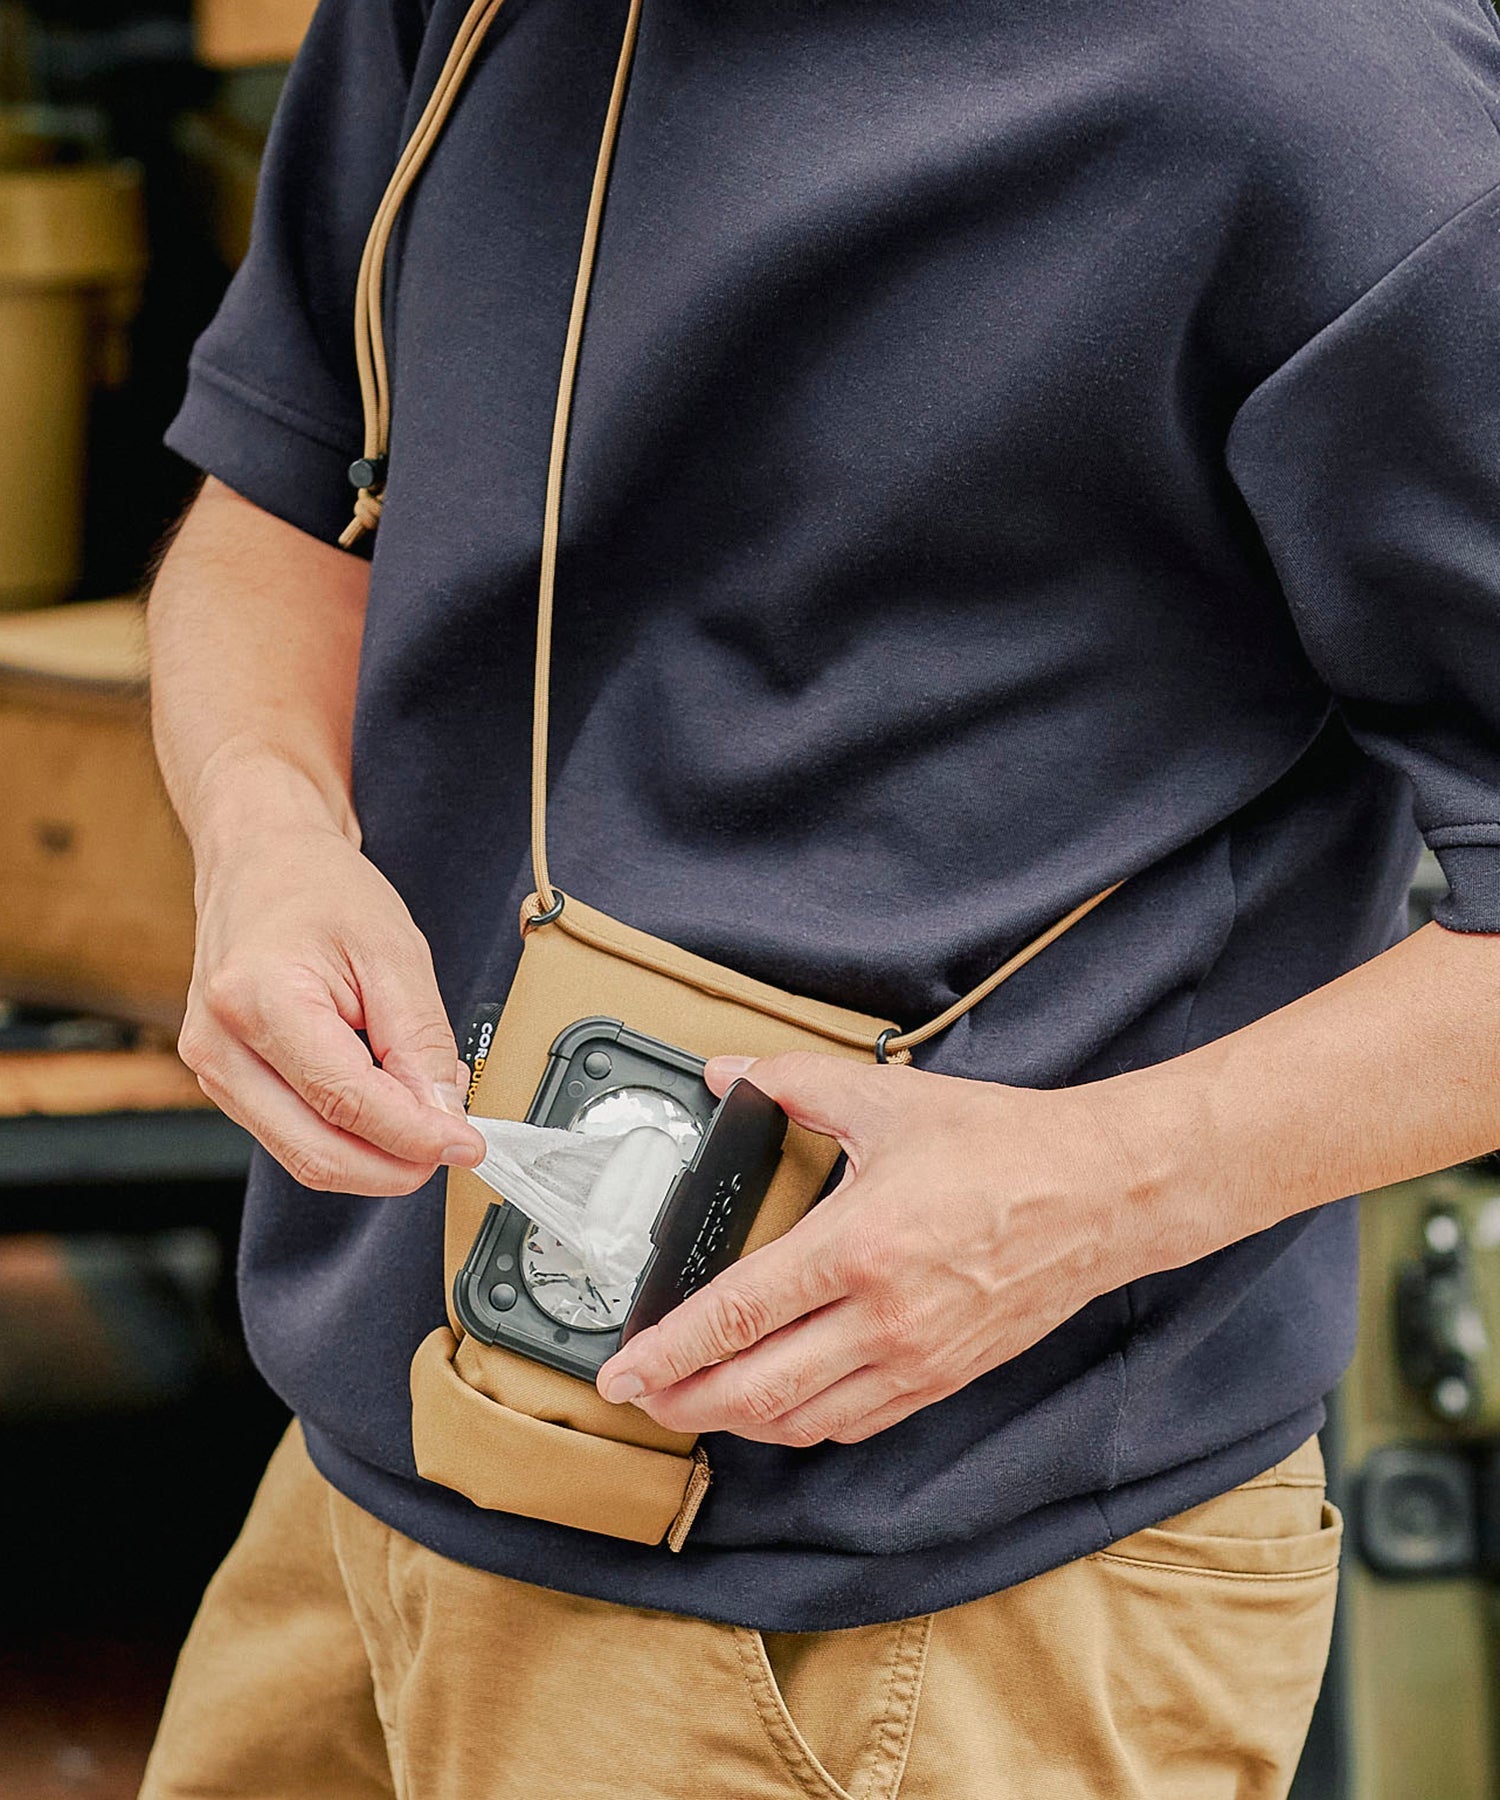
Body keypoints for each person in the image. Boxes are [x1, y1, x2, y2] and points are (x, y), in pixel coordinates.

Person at [139, 0, 1500, 1794]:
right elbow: (287, 491)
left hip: (919, 1613)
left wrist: (1096, 1195)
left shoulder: (1339, 98)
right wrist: (265, 831)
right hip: (358, 1481)